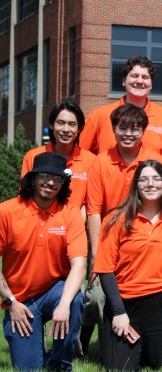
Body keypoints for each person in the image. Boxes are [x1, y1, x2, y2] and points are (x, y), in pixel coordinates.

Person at [81, 103, 162, 356]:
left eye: (135, 129)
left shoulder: (155, 161)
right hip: (108, 241)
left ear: (144, 130)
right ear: (114, 129)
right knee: (96, 297)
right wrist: (96, 252)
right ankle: (84, 340)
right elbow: (94, 210)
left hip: (144, 240)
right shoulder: (100, 162)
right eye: (122, 128)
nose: (128, 134)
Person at [93, 160, 162, 371]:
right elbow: (105, 269)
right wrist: (119, 312)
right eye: (144, 179)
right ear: (135, 185)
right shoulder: (116, 219)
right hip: (127, 305)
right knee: (119, 368)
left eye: (157, 179)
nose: (151, 184)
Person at [0, 152, 87, 371]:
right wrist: (11, 303)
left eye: (57, 178)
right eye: (44, 176)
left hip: (54, 291)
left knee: (75, 299)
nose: (50, 182)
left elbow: (79, 264)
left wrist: (65, 305)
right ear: (32, 179)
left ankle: (59, 363)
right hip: (20, 301)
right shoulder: (6, 211)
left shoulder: (70, 213)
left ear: (63, 183)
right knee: (28, 369)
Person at [79, 55, 162, 159]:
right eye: (134, 76)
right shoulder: (99, 116)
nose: (139, 81)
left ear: (151, 84)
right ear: (124, 81)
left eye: (145, 77)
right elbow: (80, 156)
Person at [21, 101, 95, 221]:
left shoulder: (91, 161)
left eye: (72, 124)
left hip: (75, 227)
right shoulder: (33, 156)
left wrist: (75, 225)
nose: (66, 129)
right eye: (61, 123)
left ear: (80, 128)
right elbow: (25, 195)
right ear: (51, 124)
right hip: (38, 224)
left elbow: (91, 202)